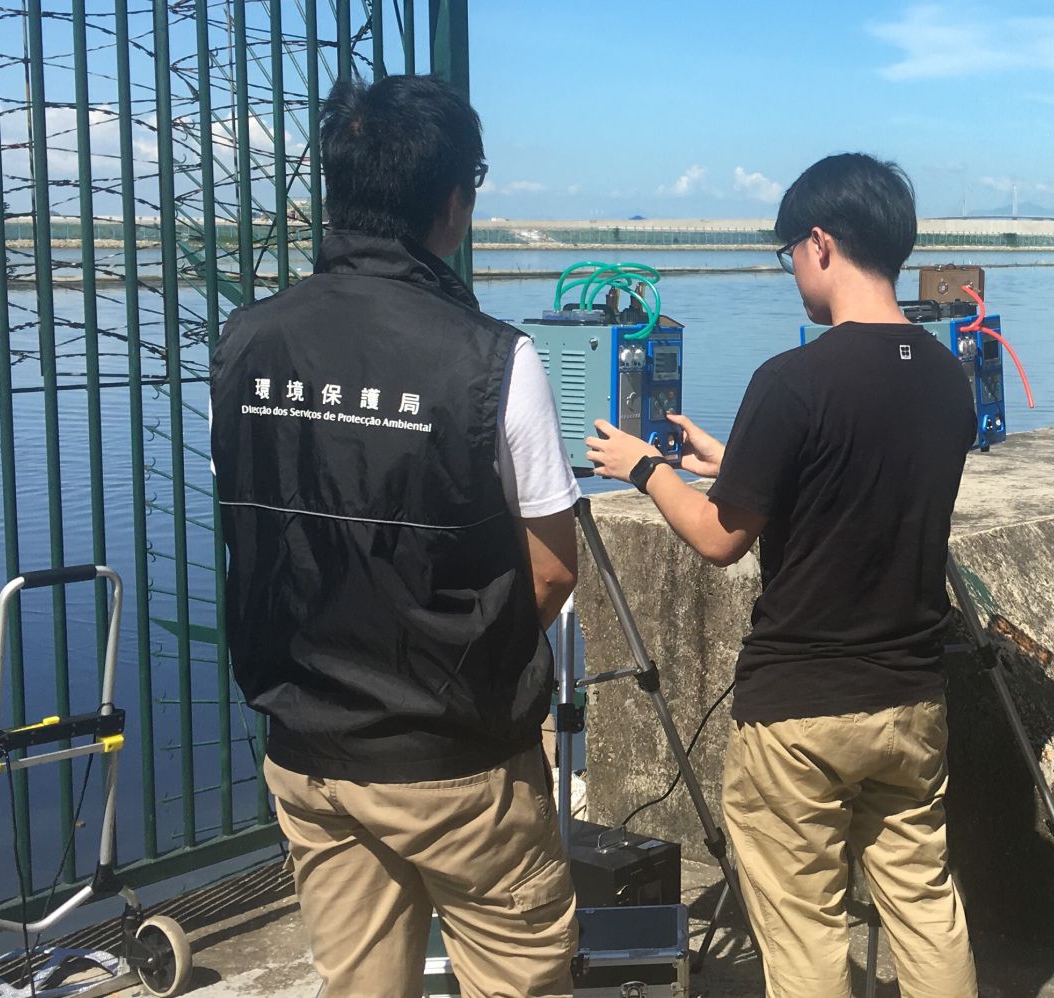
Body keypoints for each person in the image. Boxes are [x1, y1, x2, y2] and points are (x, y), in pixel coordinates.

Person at [210, 75, 581, 997]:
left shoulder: (245, 344)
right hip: (458, 762)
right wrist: (458, 664)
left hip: (309, 752)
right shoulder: (494, 358)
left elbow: (258, 525)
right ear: (453, 201)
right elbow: (551, 568)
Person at [587, 153, 978, 998]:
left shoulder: (792, 380)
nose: (791, 269)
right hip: (911, 698)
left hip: (801, 710)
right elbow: (861, 474)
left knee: (805, 932)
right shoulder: (948, 377)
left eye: (789, 252)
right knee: (925, 905)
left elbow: (718, 538)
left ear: (820, 243)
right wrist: (737, 461)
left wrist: (643, 469)